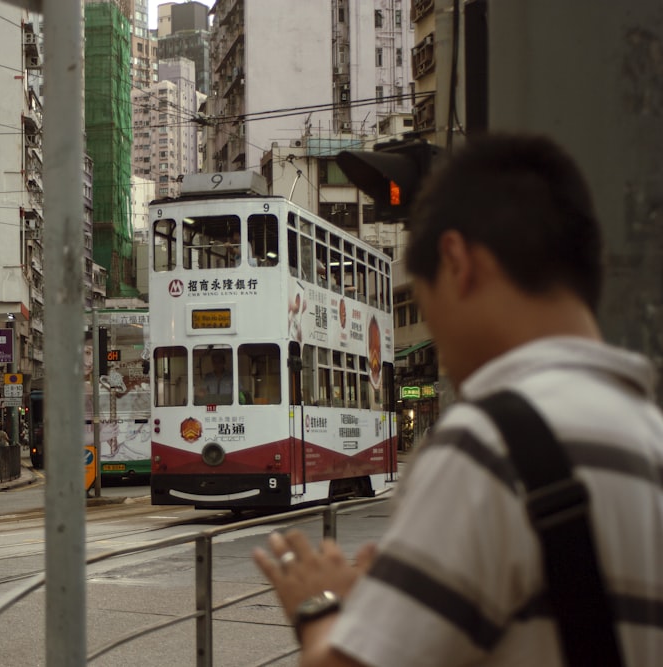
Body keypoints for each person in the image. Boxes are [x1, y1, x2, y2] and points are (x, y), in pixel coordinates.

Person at [253, 134, 663, 666]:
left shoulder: (487, 443)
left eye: (424, 298)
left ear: (456, 261)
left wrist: (320, 610)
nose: (438, 341)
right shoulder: (648, 436)